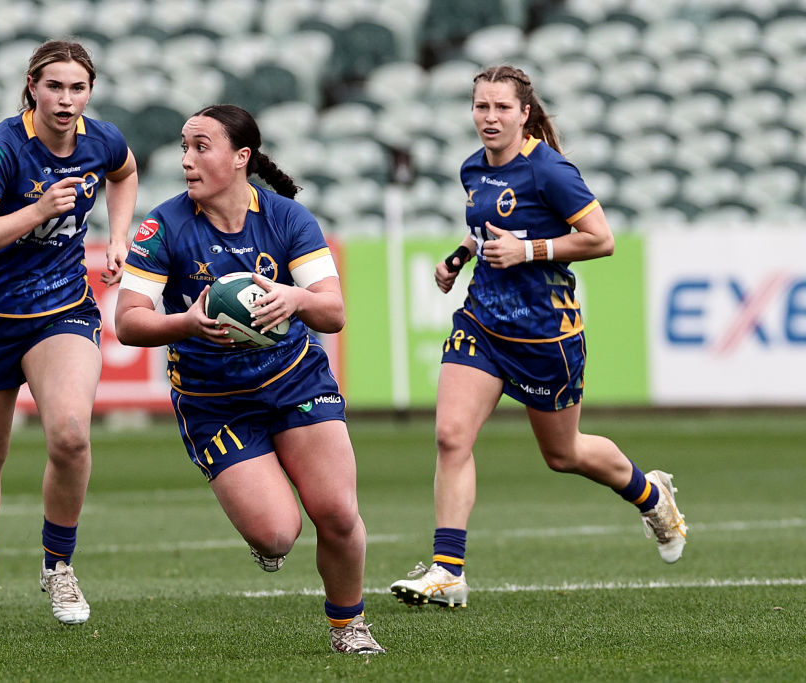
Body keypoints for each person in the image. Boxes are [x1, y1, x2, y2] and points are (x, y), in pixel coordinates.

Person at [390, 65, 687, 608]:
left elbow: (602, 240)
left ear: (524, 113)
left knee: (564, 453)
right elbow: (483, 229)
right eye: (481, 106)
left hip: (545, 335)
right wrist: (459, 257)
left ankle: (652, 495)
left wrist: (529, 252)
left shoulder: (551, 171)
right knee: (452, 436)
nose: (490, 117)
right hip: (482, 321)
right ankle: (448, 570)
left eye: (502, 107)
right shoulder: (472, 169)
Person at [114, 104, 384, 655]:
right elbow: (128, 321)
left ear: (241, 159)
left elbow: (333, 314)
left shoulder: (287, 219)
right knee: (277, 532)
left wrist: (298, 297)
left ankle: (349, 626)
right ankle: (265, 528)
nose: (185, 159)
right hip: (214, 402)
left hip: (294, 381)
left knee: (335, 512)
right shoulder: (162, 226)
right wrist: (187, 322)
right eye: (184, 146)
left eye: (200, 146)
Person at [0, 39, 138, 630]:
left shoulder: (101, 140)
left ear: (90, 93)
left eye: (78, 88)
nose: (66, 99)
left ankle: (59, 566)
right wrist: (36, 211)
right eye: (54, 86)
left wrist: (118, 237)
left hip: (61, 310)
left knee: (72, 435)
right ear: (32, 86)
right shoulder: (1, 149)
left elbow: (125, 173)